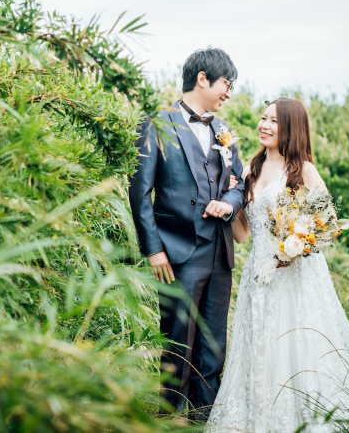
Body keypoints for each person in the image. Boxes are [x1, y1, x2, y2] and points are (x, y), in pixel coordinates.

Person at [207, 97, 349, 432]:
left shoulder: (303, 170)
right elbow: (242, 235)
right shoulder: (250, 170)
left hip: (295, 274)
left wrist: (291, 249)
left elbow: (328, 220)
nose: (264, 125)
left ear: (290, 127)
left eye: (273, 121)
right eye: (263, 118)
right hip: (258, 274)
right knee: (260, 344)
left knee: (295, 344)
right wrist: (226, 207)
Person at [128, 46, 246, 421]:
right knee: (178, 337)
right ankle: (168, 417)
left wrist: (229, 200)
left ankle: (203, 418)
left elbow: (239, 183)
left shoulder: (224, 131)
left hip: (219, 251)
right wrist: (154, 249)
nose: (229, 93)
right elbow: (139, 191)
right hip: (177, 251)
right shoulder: (156, 123)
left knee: (214, 342)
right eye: (227, 84)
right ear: (202, 79)